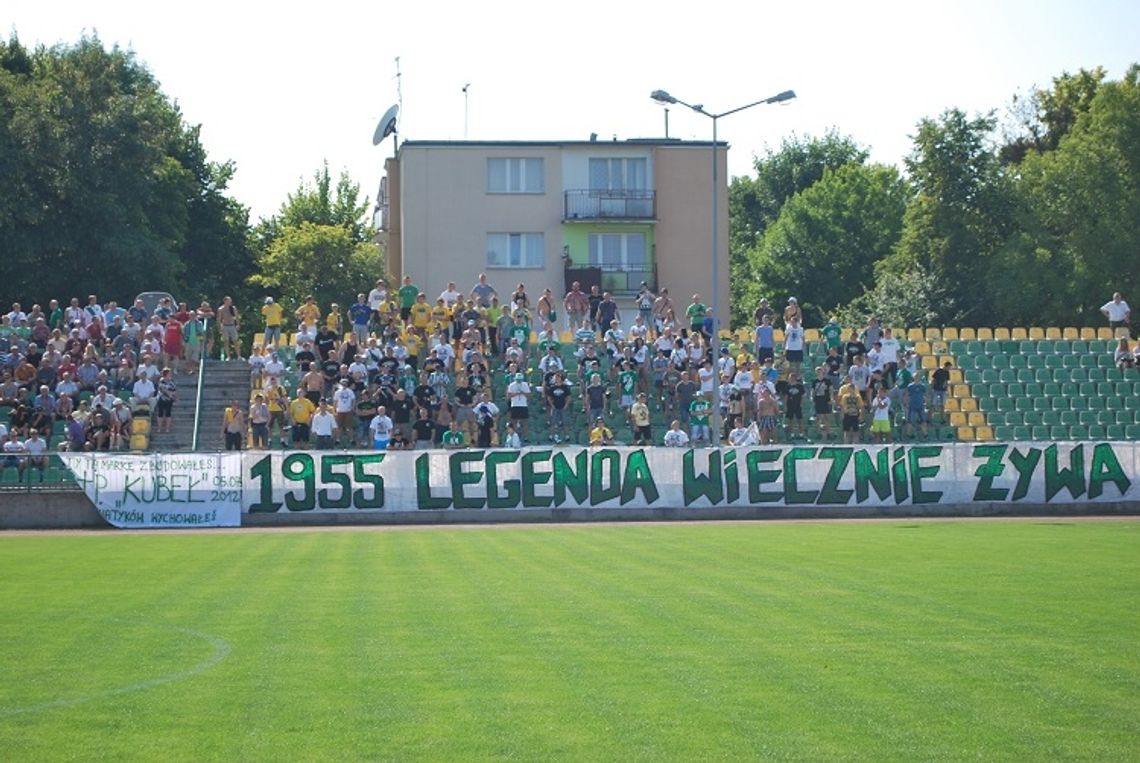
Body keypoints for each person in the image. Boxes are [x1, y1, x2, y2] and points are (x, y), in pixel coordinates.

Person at [837, 375, 864, 444]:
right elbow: (842, 406)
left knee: (856, 431)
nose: (850, 389)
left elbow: (861, 406)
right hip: (847, 414)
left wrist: (861, 415)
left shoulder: (857, 397)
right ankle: (846, 444)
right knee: (846, 431)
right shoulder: (845, 396)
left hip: (855, 414)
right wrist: (842, 414)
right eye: (849, 388)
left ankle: (856, 444)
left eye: (852, 388)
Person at [506, 371, 532, 442]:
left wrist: (523, 393)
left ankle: (526, 437)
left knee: (525, 422)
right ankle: (515, 436)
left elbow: (529, 396)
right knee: (514, 421)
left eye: (520, 379)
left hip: (523, 405)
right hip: (514, 405)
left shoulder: (525, 385)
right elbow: (508, 397)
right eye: (518, 379)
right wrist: (515, 394)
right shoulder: (511, 385)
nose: (519, 381)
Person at [216, 296, 241, 361]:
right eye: (228, 301)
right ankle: (228, 356)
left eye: (230, 301)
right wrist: (219, 327)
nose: (230, 302)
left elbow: (237, 316)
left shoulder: (233, 308)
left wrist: (238, 324)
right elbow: (219, 319)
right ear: (225, 301)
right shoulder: (221, 309)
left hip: (232, 325)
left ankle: (239, 356)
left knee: (236, 341)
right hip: (225, 326)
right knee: (226, 341)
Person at [155, 368, 177, 434]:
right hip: (162, 399)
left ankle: (167, 429)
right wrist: (169, 393)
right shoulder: (161, 380)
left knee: (168, 414)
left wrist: (172, 394)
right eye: (169, 373)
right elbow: (162, 389)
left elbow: (175, 390)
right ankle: (159, 428)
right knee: (160, 413)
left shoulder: (172, 381)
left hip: (169, 400)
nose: (170, 374)